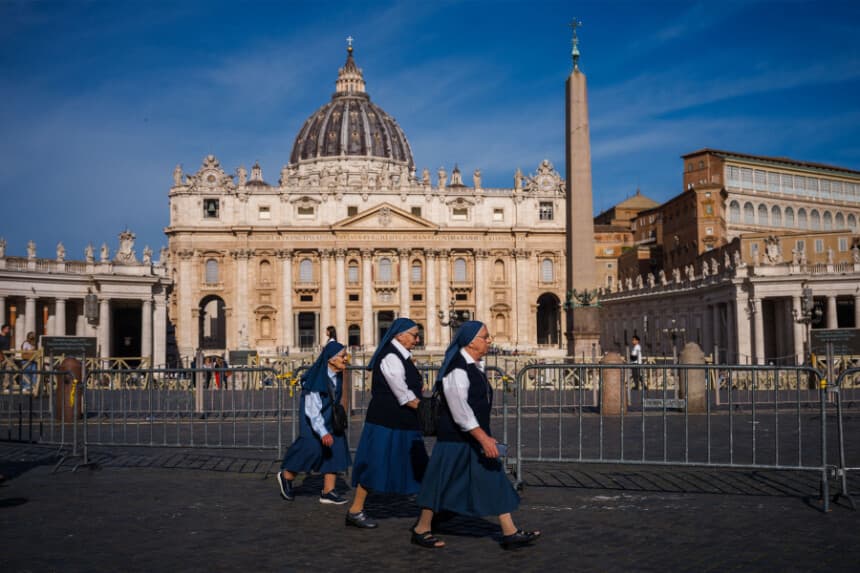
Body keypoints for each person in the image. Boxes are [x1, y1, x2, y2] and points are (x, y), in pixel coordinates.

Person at [411, 321, 540, 550]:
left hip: (473, 436)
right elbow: (460, 411)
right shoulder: (457, 370)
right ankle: (422, 528)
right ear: (471, 341)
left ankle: (509, 532)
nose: (489, 340)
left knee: (493, 478)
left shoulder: (474, 365)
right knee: (438, 483)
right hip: (456, 438)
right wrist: (483, 437)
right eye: (485, 337)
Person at [347, 318, 428, 529]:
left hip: (402, 421)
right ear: (399, 335)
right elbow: (403, 394)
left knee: (420, 464)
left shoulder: (402, 356)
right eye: (414, 335)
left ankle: (432, 512)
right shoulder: (391, 357)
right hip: (387, 421)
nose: (417, 340)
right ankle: (355, 510)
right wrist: (429, 411)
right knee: (375, 465)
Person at [276, 341, 351, 505]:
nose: (346, 359)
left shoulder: (337, 375)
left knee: (335, 450)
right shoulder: (316, 378)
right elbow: (312, 409)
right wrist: (323, 431)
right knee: (310, 450)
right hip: (314, 422)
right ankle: (286, 475)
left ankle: (328, 491)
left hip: (330, 420)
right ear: (330, 359)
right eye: (342, 356)